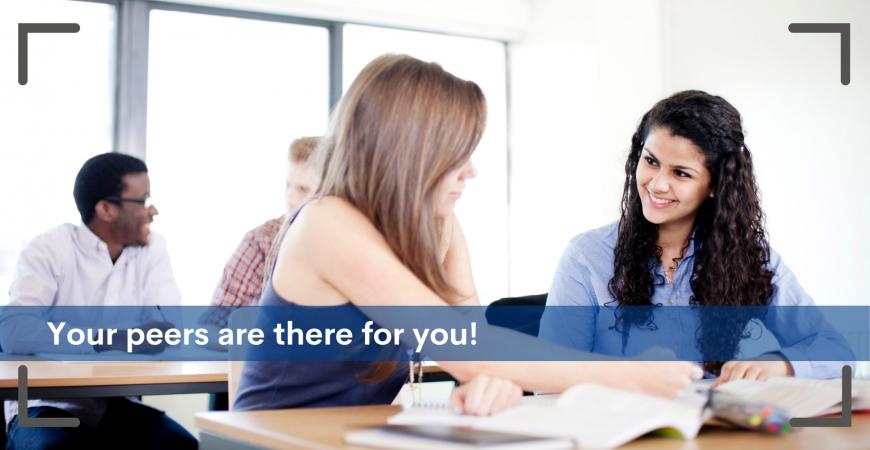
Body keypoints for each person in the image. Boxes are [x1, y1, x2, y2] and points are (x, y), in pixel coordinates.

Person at [233, 54, 699, 417]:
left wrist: (488, 379)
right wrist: (629, 376)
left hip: (354, 438)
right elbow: (471, 351)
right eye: (458, 155)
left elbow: (473, 345)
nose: (471, 171)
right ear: (409, 154)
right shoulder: (327, 224)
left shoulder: (441, 226)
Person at [538, 90, 854, 386]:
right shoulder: (586, 255)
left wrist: (780, 364)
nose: (657, 184)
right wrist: (627, 377)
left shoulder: (750, 256)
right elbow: (547, 378)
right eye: (651, 161)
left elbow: (837, 352)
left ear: (715, 186)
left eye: (681, 173)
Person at [0, 153, 196, 449]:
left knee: (179, 445)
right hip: (45, 407)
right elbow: (14, 331)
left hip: (115, 404)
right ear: (106, 209)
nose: (153, 210)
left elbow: (170, 331)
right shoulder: (49, 249)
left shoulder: (153, 249)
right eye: (142, 201)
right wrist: (104, 340)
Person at [201, 136, 321, 329]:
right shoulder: (261, 241)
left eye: (303, 189)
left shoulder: (352, 246)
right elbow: (212, 328)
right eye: (287, 185)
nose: (290, 198)